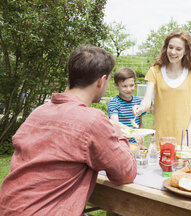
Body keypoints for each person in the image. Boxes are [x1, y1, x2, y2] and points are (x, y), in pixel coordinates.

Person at [0, 45, 137, 215]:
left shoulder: (39, 111)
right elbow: (125, 173)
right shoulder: (92, 120)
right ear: (101, 81)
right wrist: (116, 130)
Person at [132, 30, 191, 146]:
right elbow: (147, 100)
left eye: (178, 49)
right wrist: (140, 108)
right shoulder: (154, 71)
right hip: (161, 135)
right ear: (166, 48)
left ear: (186, 51)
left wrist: (188, 134)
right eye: (170, 47)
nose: (173, 52)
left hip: (184, 137)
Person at [108, 67, 146, 144]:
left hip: (135, 144)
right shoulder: (114, 102)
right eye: (124, 86)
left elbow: (140, 122)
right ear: (116, 85)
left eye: (131, 85)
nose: (129, 89)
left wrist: (141, 136)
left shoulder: (138, 101)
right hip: (120, 144)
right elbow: (114, 122)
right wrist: (133, 133)